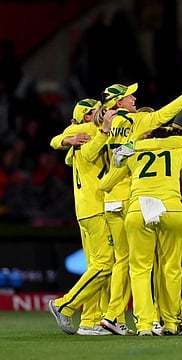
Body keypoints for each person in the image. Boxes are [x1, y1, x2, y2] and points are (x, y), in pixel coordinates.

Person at [99, 114, 182, 336]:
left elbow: (105, 184)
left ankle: (146, 325)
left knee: (140, 270)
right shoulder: (179, 148)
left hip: (139, 210)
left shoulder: (133, 150)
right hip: (173, 210)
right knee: (172, 268)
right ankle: (170, 323)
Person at [48, 99, 119, 335]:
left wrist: (68, 143)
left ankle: (89, 321)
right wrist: (68, 138)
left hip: (86, 210)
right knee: (105, 264)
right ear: (86, 117)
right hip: (95, 208)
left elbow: (64, 150)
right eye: (94, 110)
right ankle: (64, 305)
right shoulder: (87, 130)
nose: (101, 111)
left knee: (96, 267)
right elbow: (55, 140)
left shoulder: (86, 136)